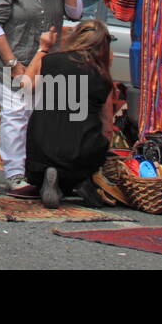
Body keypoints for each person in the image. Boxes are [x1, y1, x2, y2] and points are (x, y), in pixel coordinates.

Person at [0, 0, 83, 193]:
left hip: (44, 57)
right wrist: (12, 62)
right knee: (15, 111)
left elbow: (76, 13)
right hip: (9, 54)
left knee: (42, 113)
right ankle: (15, 173)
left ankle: (38, 168)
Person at [11, 20, 115, 208]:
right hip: (81, 149)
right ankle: (82, 180)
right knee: (93, 142)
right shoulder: (102, 75)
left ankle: (52, 176)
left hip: (42, 144)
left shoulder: (52, 60)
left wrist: (43, 48)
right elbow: (107, 125)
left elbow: (24, 87)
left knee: (46, 131)